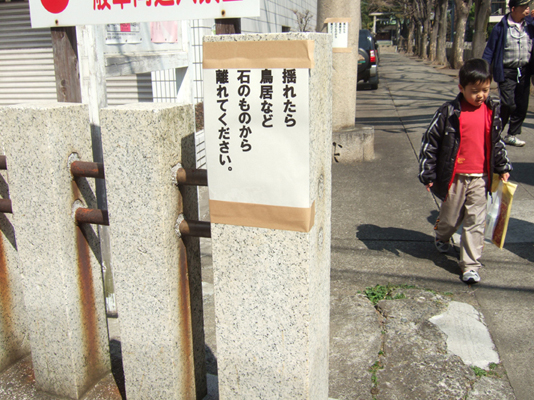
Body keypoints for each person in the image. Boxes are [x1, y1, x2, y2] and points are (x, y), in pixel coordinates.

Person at [419, 58, 512, 284]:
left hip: (480, 177)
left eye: (485, 90)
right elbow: (430, 143)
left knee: (475, 221)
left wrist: (502, 167)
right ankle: (441, 236)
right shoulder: (449, 112)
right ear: (461, 88)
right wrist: (428, 173)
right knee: (450, 220)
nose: (481, 95)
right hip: (455, 177)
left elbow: (496, 142)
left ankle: (470, 265)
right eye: (474, 91)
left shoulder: (492, 111)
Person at [482, 0, 534, 147]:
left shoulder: (530, 25)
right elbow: (490, 50)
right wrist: (483, 70)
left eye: (528, 7)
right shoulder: (500, 27)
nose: (527, 9)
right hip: (506, 71)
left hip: (524, 70)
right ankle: (496, 133)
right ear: (513, 9)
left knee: (522, 105)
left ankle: (512, 134)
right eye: (523, 7)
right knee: (508, 104)